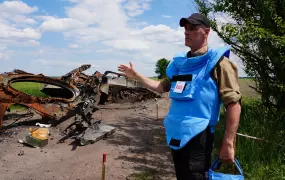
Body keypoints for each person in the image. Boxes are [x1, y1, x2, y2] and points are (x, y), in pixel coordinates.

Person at [118, 13, 241, 180]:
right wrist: (136, 76)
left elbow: (233, 104)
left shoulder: (219, 64)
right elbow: (160, 87)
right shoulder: (180, 64)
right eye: (185, 28)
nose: (186, 31)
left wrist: (228, 143)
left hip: (200, 136)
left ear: (206, 31)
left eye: (192, 28)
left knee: (196, 176)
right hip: (176, 132)